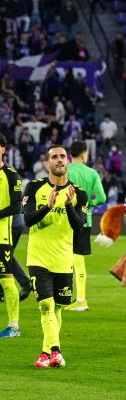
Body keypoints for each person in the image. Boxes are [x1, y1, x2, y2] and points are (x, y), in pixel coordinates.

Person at [24, 146, 88, 368]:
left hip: (63, 260)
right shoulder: (34, 187)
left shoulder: (79, 194)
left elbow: (79, 227)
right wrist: (48, 207)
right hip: (38, 258)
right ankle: (56, 351)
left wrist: (69, 206)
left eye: (62, 156)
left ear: (68, 161)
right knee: (45, 305)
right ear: (47, 162)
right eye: (54, 157)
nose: (59, 160)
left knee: (58, 307)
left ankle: (44, 352)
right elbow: (28, 220)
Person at [65, 141, 107, 311]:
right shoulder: (92, 173)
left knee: (62, 258)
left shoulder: (65, 170)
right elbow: (102, 198)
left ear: (70, 154)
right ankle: (81, 299)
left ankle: (65, 296)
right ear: (84, 154)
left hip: (65, 219)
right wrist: (90, 203)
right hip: (85, 219)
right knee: (78, 259)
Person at [0, 134, 23, 338]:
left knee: (7, 281)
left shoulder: (10, 175)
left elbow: (17, 206)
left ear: (3, 149)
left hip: (1, 238)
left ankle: (14, 326)